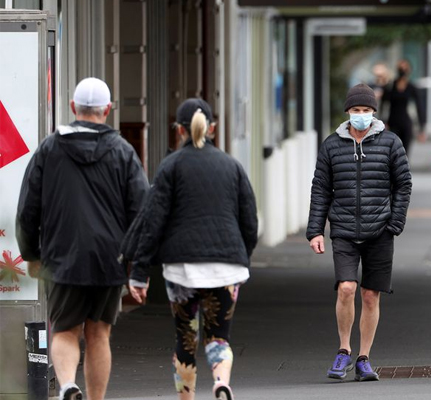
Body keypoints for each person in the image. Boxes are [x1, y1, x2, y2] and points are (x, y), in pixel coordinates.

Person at [16, 77, 149, 400]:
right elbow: (142, 213)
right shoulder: (123, 152)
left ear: (73, 108)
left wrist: (32, 255)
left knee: (64, 330)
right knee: (98, 333)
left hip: (62, 257)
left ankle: (66, 386)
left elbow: (27, 209)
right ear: (108, 109)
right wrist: (135, 263)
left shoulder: (50, 149)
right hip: (108, 259)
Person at [122, 98, 258, 400]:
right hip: (227, 267)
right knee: (219, 337)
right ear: (212, 127)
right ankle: (221, 382)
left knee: (185, 339)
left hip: (181, 269)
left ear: (179, 130)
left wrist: (139, 273)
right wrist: (241, 258)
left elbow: (152, 222)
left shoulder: (170, 166)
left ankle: (187, 397)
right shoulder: (232, 166)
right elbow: (250, 221)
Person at [307, 83, 412, 382]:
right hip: (343, 230)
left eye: (366, 111)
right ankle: (343, 350)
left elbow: (403, 184)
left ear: (374, 113)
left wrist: (395, 222)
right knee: (347, 288)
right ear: (348, 112)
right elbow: (320, 189)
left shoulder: (391, 143)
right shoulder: (331, 145)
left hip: (380, 230)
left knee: (370, 295)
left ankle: (364, 357)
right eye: (356, 110)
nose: (361, 116)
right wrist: (315, 230)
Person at [381, 60, 426, 158]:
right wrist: (382, 122)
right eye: (401, 68)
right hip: (392, 123)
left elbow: (419, 107)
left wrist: (421, 127)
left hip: (406, 123)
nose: (402, 70)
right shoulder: (390, 86)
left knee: (405, 153)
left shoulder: (411, 87)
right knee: (392, 152)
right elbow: (383, 104)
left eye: (405, 68)